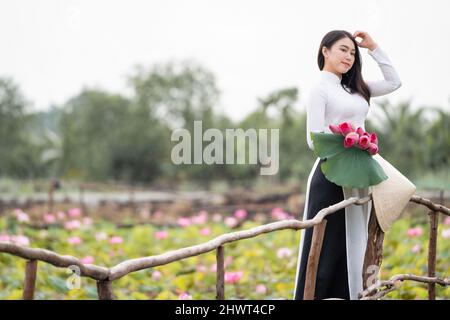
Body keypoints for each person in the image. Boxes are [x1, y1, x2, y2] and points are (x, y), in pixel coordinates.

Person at [293, 30, 402, 300]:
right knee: (325, 243)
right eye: (343, 49)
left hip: (359, 173)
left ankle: (352, 295)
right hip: (330, 173)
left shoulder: (356, 88)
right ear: (325, 51)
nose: (349, 56)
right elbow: (312, 139)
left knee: (355, 241)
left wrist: (374, 47)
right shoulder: (320, 89)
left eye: (353, 53)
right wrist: (350, 142)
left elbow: (394, 82)